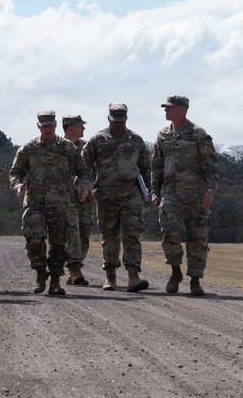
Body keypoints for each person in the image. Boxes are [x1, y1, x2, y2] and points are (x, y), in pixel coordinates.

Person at [9, 110, 91, 295]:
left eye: (50, 125)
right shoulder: (28, 148)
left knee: (58, 243)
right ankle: (40, 274)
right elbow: (15, 172)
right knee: (34, 239)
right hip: (35, 203)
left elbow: (83, 171)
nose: (47, 129)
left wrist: (84, 185)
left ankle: (55, 280)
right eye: (44, 125)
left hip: (60, 203)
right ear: (38, 126)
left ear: (55, 125)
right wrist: (17, 186)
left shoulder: (67, 148)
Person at [150, 95, 219, 296]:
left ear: (182, 109)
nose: (165, 110)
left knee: (197, 237)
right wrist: (155, 191)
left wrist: (210, 190)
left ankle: (195, 281)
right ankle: (175, 271)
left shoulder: (198, 134)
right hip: (170, 194)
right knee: (169, 231)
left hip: (196, 195)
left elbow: (211, 166)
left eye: (169, 108)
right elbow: (156, 167)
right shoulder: (162, 135)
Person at [82, 103, 150, 292]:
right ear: (109, 119)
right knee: (109, 237)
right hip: (106, 196)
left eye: (122, 121)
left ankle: (133, 277)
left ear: (126, 119)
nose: (118, 124)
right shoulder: (97, 140)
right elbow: (83, 167)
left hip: (131, 194)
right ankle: (110, 276)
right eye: (115, 121)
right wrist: (84, 186)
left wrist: (150, 191)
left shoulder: (136, 140)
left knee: (132, 234)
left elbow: (146, 168)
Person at [62, 114, 93, 285]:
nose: (84, 128)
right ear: (71, 127)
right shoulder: (58, 146)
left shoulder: (88, 147)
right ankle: (75, 269)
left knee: (84, 233)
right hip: (66, 197)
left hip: (86, 197)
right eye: (81, 125)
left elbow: (91, 170)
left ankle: (75, 267)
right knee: (72, 232)